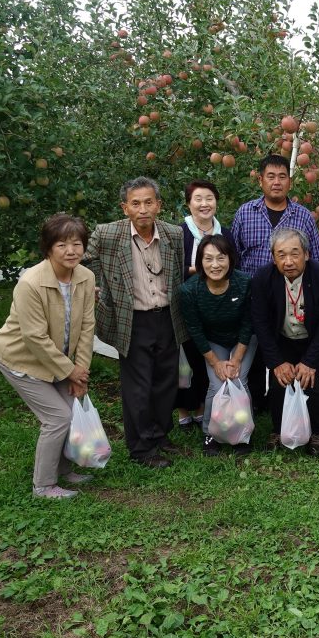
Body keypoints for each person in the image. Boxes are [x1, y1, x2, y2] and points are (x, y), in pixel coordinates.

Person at [84, 177, 188, 469]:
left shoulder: (173, 234)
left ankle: (159, 435)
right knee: (138, 386)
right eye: (135, 203)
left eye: (148, 202)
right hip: (131, 319)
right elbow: (82, 261)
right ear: (125, 207)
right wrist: (95, 288)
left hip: (167, 316)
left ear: (159, 205)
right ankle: (141, 448)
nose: (143, 209)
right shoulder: (107, 234)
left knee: (166, 382)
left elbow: (178, 273)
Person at [0, 214, 96, 499]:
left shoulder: (86, 277)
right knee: (58, 418)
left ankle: (63, 470)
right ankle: (43, 486)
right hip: (20, 359)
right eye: (62, 244)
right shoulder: (31, 283)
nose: (71, 250)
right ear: (48, 248)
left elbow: (87, 327)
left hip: (57, 360)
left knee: (71, 408)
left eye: (77, 243)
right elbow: (34, 337)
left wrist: (81, 371)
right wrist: (69, 371)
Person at [231, 155, 319, 411]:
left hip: (291, 303)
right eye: (270, 177)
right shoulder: (245, 213)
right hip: (254, 301)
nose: (276, 182)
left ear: (290, 181)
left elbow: (318, 261)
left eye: (282, 177)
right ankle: (253, 408)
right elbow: (235, 258)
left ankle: (291, 408)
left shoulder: (304, 217)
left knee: (286, 358)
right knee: (254, 358)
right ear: (260, 180)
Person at [250, 228, 319, 457]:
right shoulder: (262, 278)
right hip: (282, 337)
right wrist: (277, 361)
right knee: (280, 381)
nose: (288, 261)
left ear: (306, 255)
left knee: (310, 380)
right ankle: (278, 430)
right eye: (281, 255)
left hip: (314, 337)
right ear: (273, 258)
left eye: (294, 253)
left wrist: (310, 361)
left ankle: (317, 433)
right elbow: (260, 322)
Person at [179, 234, 257, 457]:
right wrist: (216, 362)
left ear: (231, 259)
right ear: (200, 262)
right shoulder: (190, 290)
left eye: (221, 258)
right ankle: (210, 433)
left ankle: (242, 432)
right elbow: (195, 330)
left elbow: (248, 322)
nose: (215, 265)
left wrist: (236, 359)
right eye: (208, 259)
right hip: (213, 340)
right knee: (217, 383)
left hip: (244, 339)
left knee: (239, 379)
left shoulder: (244, 283)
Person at [176, 179, 237, 429]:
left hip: (216, 305)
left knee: (205, 359)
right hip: (187, 302)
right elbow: (172, 268)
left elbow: (233, 265)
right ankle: (182, 407)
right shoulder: (179, 232)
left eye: (209, 198)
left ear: (216, 202)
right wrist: (200, 269)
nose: (204, 204)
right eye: (198, 199)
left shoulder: (225, 233)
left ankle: (201, 405)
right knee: (184, 360)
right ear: (188, 204)